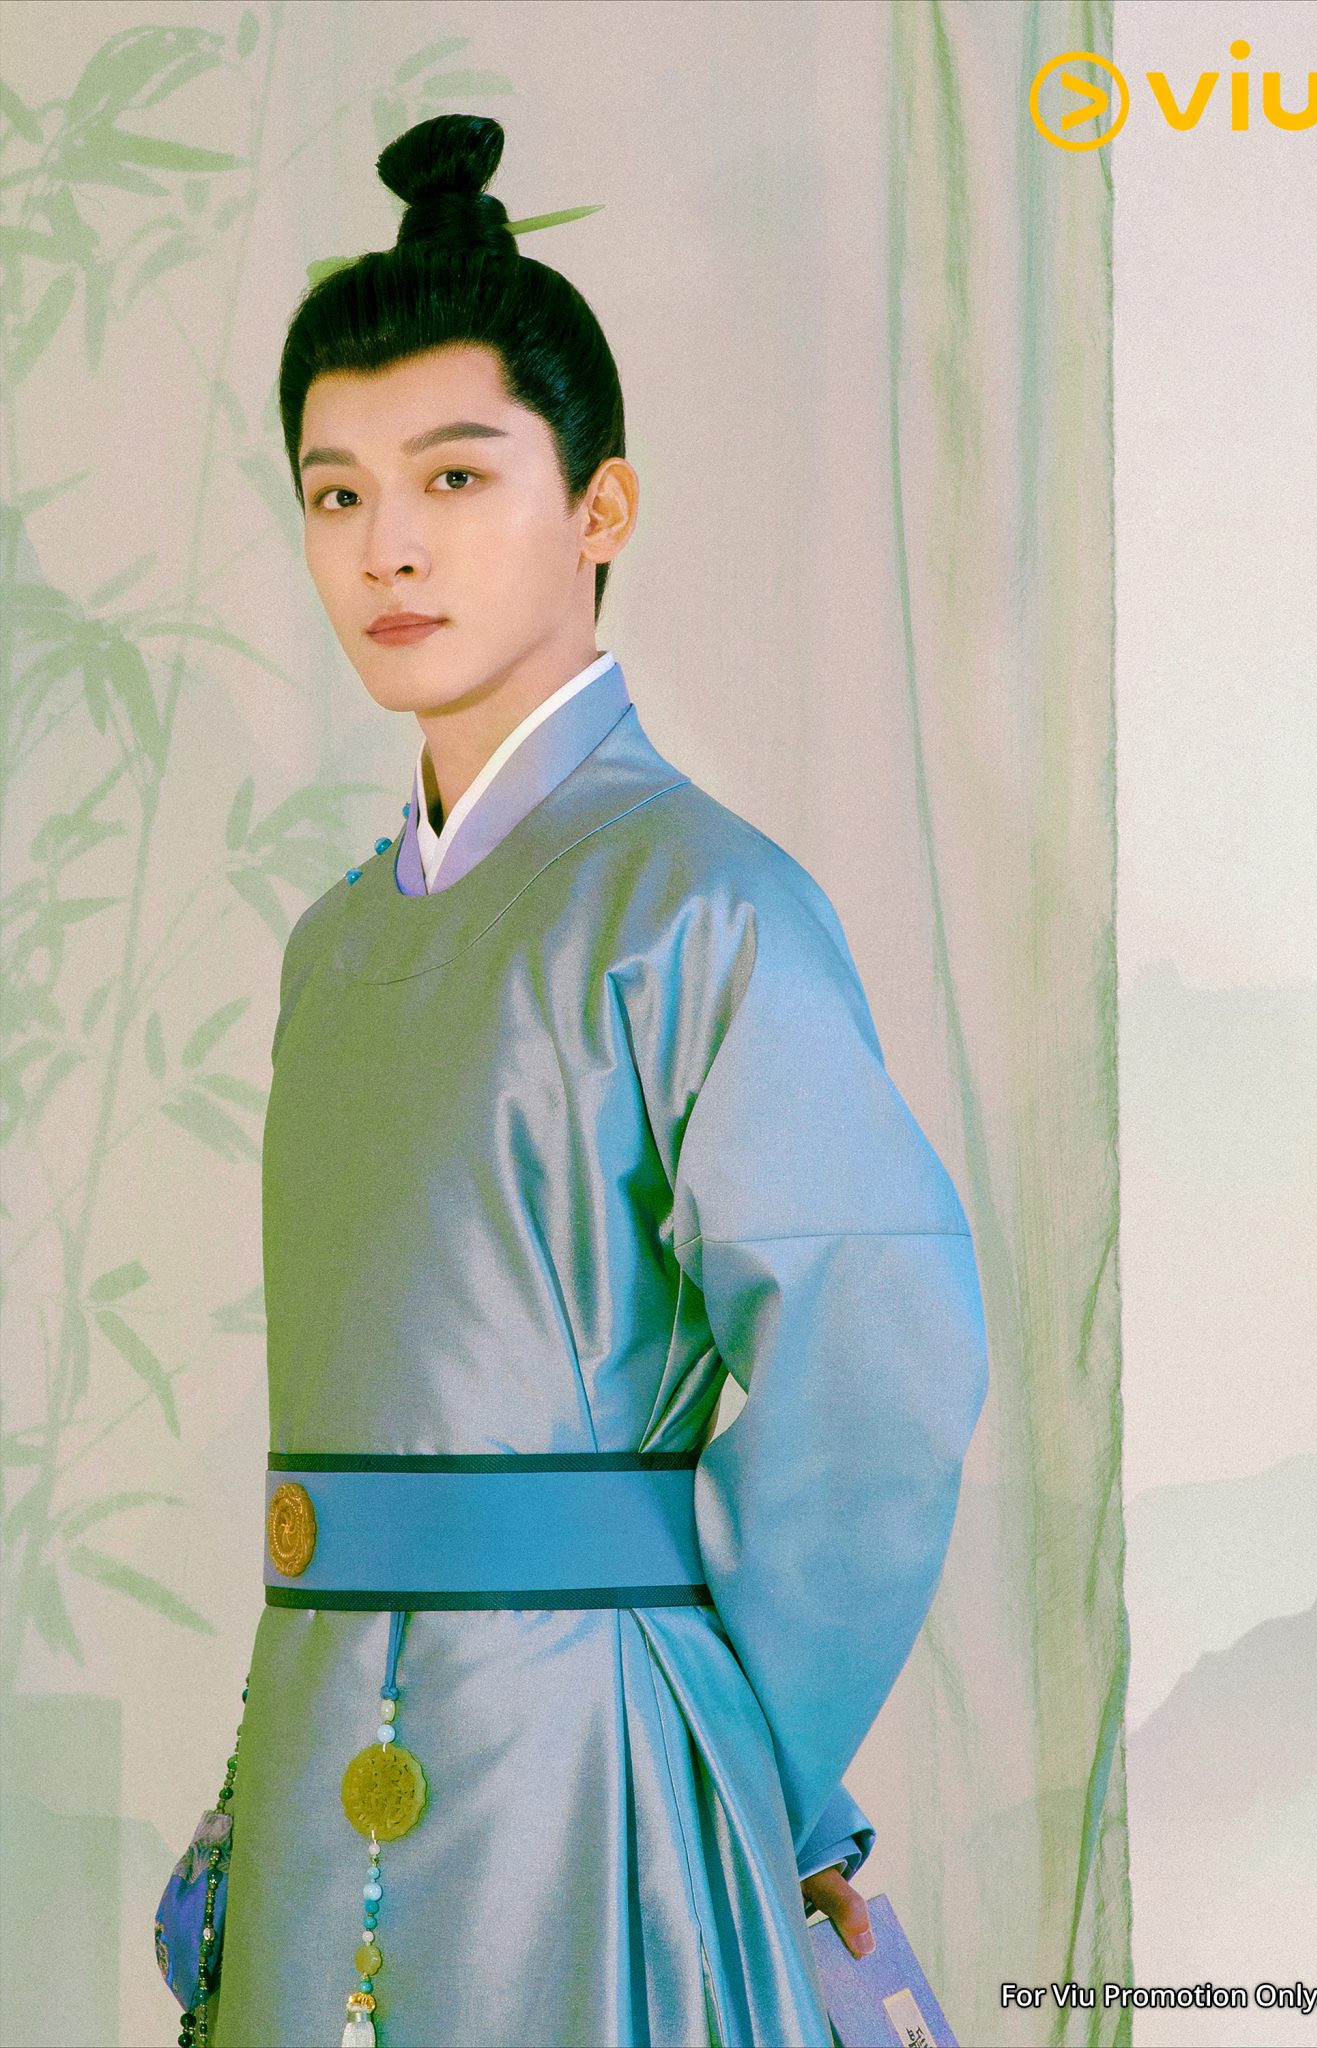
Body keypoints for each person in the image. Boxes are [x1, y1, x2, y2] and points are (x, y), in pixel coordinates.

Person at [205, 112, 989, 2048]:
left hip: (596, 1758)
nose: (386, 546)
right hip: (313, 1737)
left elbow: (874, 1363)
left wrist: (735, 1762)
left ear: (600, 506)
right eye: (333, 491)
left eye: (455, 476)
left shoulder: (701, 901)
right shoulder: (334, 943)